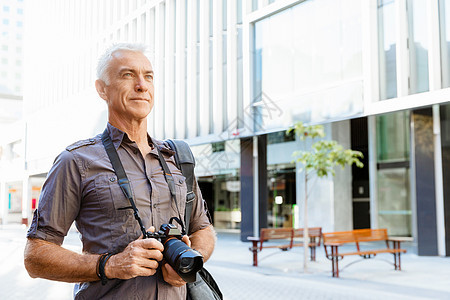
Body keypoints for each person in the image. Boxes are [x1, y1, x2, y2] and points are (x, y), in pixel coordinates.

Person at [24, 43, 216, 299]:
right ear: (102, 89)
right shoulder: (76, 161)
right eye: (128, 75)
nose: (142, 85)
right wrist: (110, 265)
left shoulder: (177, 159)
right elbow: (35, 255)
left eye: (148, 76)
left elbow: (203, 228)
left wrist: (189, 262)